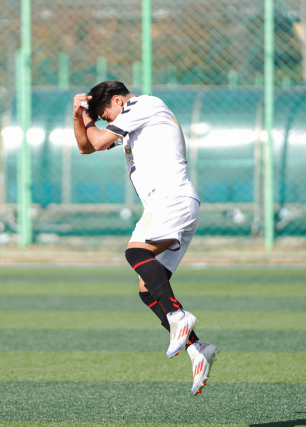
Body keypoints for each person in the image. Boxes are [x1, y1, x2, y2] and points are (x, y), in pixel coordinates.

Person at [72, 80, 218, 396]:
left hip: (172, 198)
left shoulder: (142, 106)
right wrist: (78, 116)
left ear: (117, 100)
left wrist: (85, 115)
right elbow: (86, 146)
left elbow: (96, 141)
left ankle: (179, 316)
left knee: (135, 253)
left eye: (105, 114)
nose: (107, 122)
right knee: (146, 287)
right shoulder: (134, 122)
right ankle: (197, 350)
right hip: (166, 203)